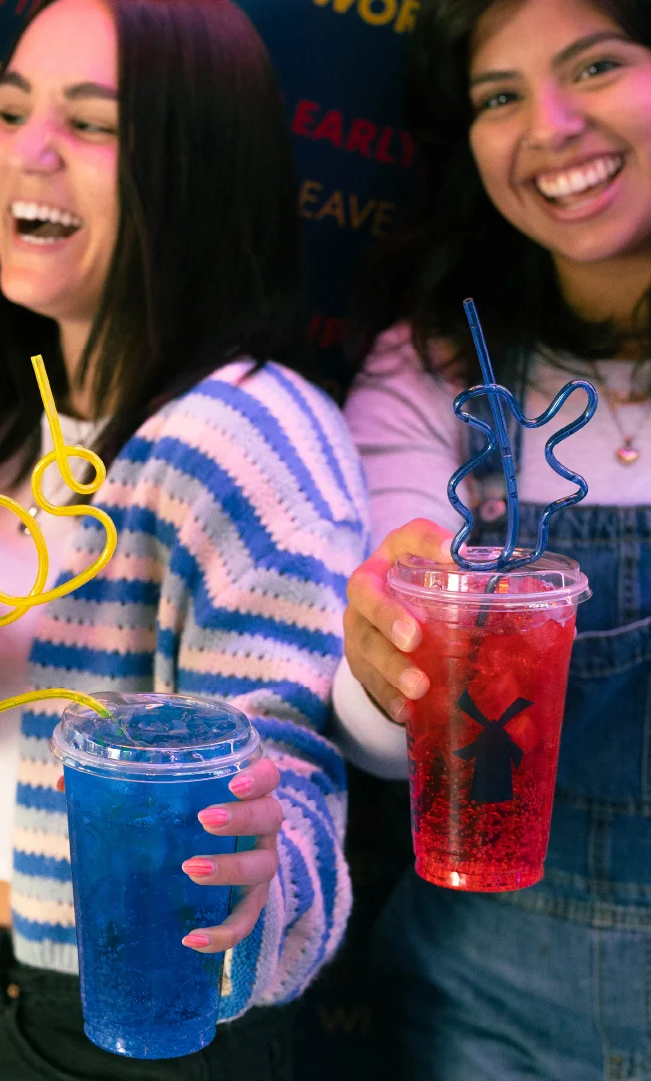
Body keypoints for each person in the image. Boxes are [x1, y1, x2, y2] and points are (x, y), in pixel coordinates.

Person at [0, 0, 370, 1077]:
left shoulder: (245, 435)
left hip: (118, 1016)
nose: (29, 151)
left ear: (194, 168)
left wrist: (262, 875)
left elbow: (288, 776)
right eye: (10, 108)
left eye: (93, 125)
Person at [335, 0, 651, 1077]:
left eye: (596, 64)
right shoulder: (428, 373)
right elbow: (381, 745)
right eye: (498, 96)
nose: (549, 125)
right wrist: (390, 652)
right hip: (482, 1016)